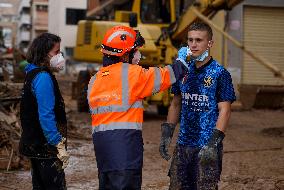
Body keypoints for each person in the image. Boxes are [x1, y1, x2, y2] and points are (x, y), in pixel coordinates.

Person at [87, 25, 187, 190]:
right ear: (125, 54)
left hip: (104, 155)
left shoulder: (94, 80)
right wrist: (182, 60)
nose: (139, 54)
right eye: (136, 50)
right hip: (125, 151)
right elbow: (167, 76)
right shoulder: (132, 74)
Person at [159, 22, 236, 190]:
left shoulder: (220, 73)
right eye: (190, 40)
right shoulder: (182, 70)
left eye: (199, 40)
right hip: (183, 145)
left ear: (210, 43)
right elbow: (175, 103)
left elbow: (225, 110)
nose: (193, 44)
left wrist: (212, 144)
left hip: (206, 146)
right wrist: (167, 134)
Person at [19, 33, 69, 190]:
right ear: (43, 54)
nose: (60, 56)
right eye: (56, 52)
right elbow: (46, 115)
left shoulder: (31, 74)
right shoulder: (43, 78)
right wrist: (57, 143)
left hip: (34, 144)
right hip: (46, 147)